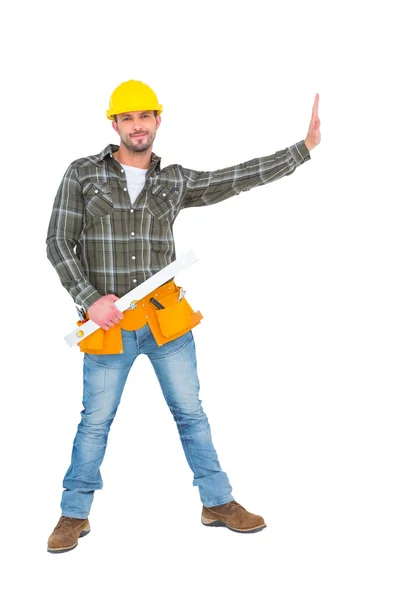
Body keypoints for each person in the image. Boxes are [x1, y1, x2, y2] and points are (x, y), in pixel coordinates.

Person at [46, 79, 321, 553]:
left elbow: (236, 177)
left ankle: (217, 503)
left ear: (157, 120)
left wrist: (303, 149)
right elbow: (57, 242)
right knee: (95, 421)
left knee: (191, 413)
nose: (137, 126)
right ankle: (74, 514)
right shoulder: (82, 173)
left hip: (166, 321)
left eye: (145, 116)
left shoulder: (174, 181)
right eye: (127, 118)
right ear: (114, 124)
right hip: (109, 327)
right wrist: (91, 299)